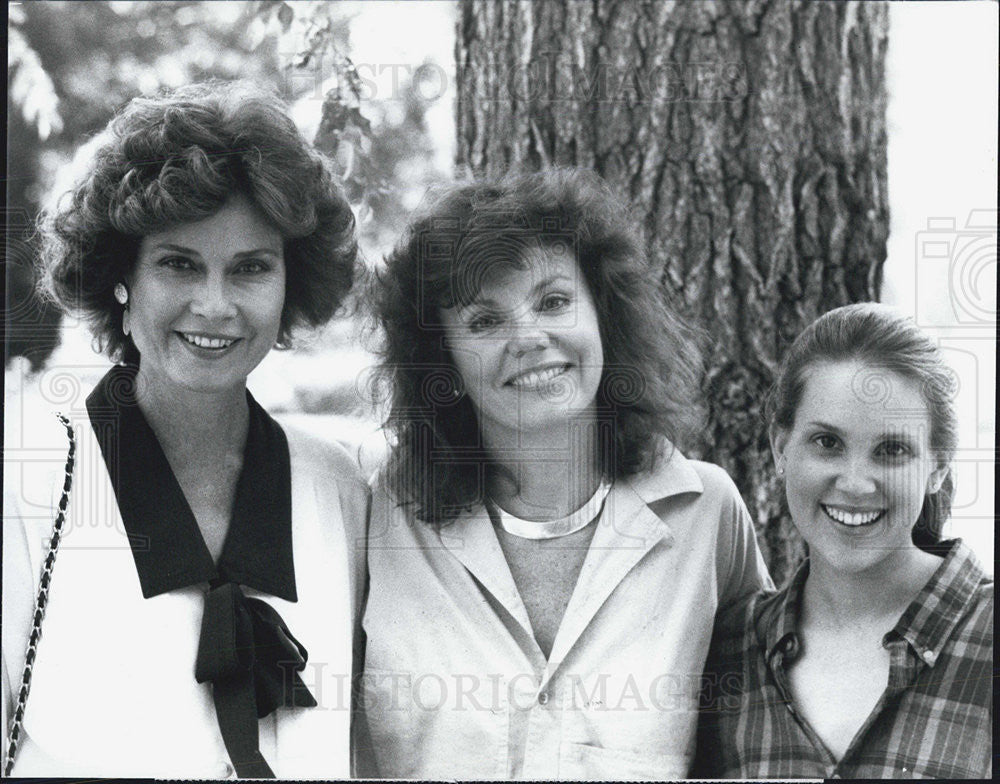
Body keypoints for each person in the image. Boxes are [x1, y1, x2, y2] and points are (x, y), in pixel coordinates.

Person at [2, 81, 368, 778]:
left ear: (292, 283)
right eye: (179, 263)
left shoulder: (340, 491)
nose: (215, 304)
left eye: (251, 268)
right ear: (121, 277)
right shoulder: (26, 478)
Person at [359, 169, 773, 779]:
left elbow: (762, 731)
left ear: (605, 313)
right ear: (439, 356)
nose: (528, 338)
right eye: (483, 321)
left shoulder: (705, 513)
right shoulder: (379, 518)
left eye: (553, 301)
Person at [694, 303, 993, 779]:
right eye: (827, 443)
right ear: (781, 448)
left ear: (937, 467)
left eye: (891, 450)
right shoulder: (726, 653)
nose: (855, 483)